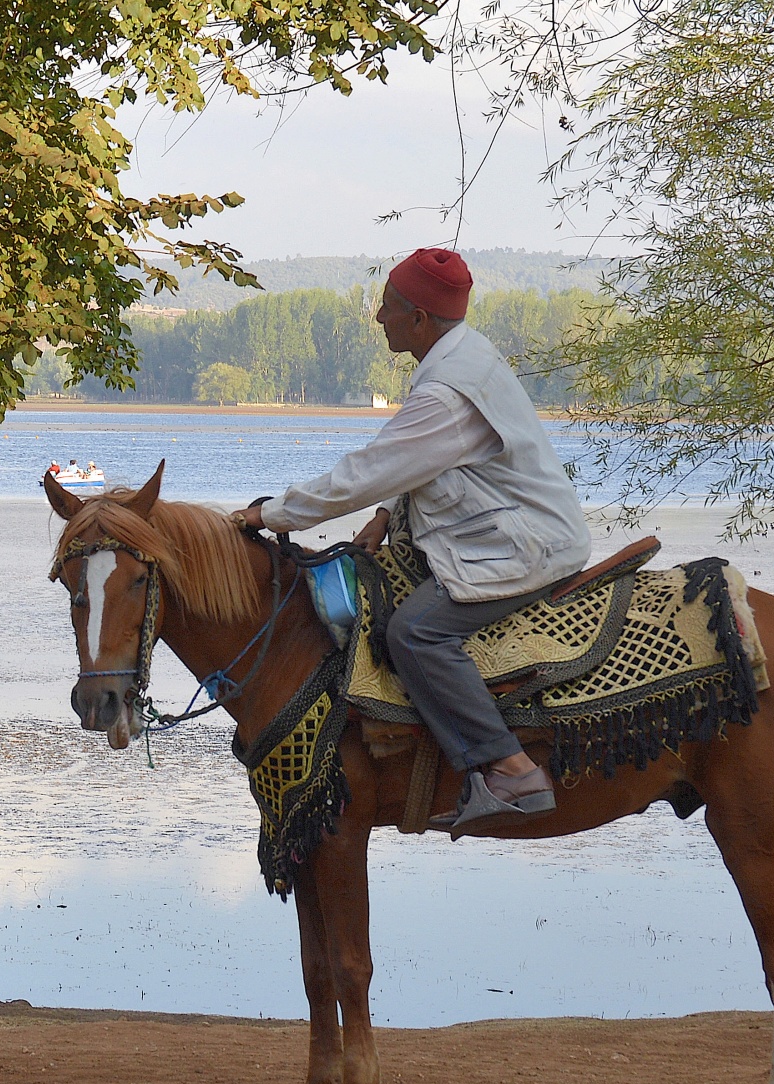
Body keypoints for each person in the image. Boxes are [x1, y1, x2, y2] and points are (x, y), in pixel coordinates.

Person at [234, 248, 591, 836]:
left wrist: (270, 515)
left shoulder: (447, 392)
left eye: (389, 307)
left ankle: (510, 768)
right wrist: (385, 515)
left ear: (421, 319)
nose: (379, 318)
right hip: (494, 531)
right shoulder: (461, 361)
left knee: (414, 633)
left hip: (523, 545)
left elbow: (368, 469)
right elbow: (422, 468)